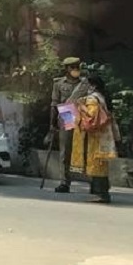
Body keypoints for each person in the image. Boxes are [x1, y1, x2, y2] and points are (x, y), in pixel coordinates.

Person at [50, 57, 94, 194]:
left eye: (77, 66)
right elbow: (54, 103)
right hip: (67, 114)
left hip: (83, 115)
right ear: (67, 69)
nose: (76, 69)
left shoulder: (85, 83)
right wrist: (52, 123)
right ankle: (64, 182)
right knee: (66, 151)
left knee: (87, 149)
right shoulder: (58, 83)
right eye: (72, 67)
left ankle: (93, 182)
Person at [70, 89, 118, 204]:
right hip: (103, 136)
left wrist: (81, 106)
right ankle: (103, 192)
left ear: (92, 85)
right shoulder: (103, 96)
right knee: (101, 165)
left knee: (95, 165)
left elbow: (91, 117)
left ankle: (101, 194)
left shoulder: (92, 99)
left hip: (94, 137)